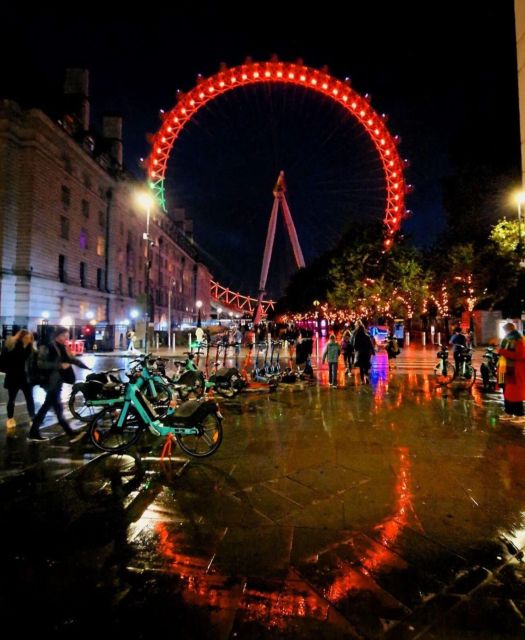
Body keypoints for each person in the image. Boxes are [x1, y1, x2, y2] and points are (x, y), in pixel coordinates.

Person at [28, 326, 90, 442]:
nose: (66, 338)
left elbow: (71, 360)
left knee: (55, 407)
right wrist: (59, 366)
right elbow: (41, 364)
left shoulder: (62, 347)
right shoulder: (48, 347)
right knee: (50, 407)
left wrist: (85, 367)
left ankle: (36, 432)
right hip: (50, 381)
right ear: (57, 336)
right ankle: (67, 431)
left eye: (67, 336)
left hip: (57, 381)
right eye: (64, 336)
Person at [0, 330, 36, 429]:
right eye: (25, 338)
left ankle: (32, 418)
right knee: (12, 399)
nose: (27, 340)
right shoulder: (12, 347)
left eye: (29, 338)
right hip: (14, 378)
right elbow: (2, 362)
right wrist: (10, 370)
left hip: (26, 379)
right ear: (20, 338)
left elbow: (34, 364)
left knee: (30, 399)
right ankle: (10, 418)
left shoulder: (31, 349)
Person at [497, 322, 525, 424]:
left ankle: (520, 414)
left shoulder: (518, 339)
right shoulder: (509, 338)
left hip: (513, 369)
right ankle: (508, 412)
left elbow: (520, 355)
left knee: (515, 392)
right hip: (505, 368)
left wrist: (501, 351)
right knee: (506, 390)